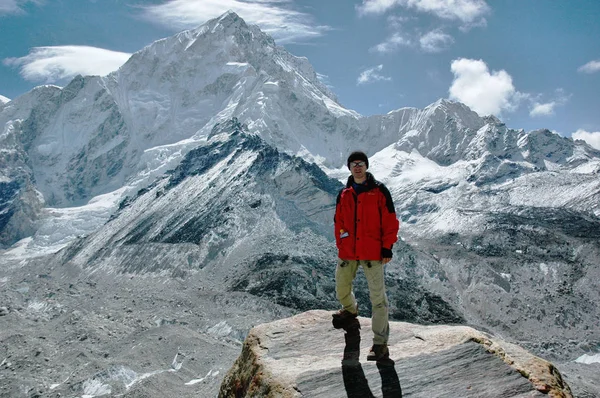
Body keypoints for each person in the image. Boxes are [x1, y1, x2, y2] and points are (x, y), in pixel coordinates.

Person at [332, 151, 400, 361]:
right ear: (350, 168)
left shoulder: (379, 191)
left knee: (378, 299)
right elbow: (339, 221)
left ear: (367, 166)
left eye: (361, 163)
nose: (358, 167)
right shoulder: (344, 193)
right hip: (349, 251)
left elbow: (390, 221)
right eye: (354, 164)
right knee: (342, 287)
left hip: (372, 252)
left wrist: (387, 247)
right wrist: (341, 242)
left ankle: (380, 344)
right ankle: (350, 310)